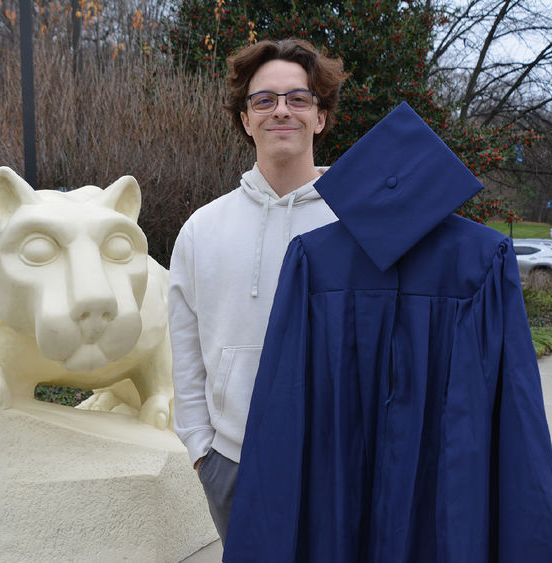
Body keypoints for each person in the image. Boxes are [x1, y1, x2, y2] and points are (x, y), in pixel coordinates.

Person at [168, 38, 345, 544]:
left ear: (320, 116)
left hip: (338, 464)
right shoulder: (203, 229)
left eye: (298, 98)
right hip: (234, 465)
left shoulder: (355, 221)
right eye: (264, 100)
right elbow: (185, 350)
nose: (281, 110)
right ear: (246, 119)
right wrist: (203, 451)